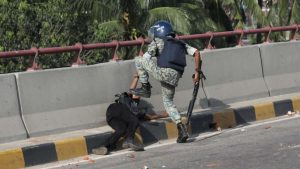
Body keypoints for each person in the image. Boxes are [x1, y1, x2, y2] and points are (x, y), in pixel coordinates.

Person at [130, 20, 201, 143]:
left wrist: (141, 72)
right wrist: (197, 73)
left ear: (159, 31)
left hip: (163, 72)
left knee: (138, 60)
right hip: (175, 76)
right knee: (168, 102)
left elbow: (146, 58)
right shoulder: (181, 44)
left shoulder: (158, 41)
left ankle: (146, 88)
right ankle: (181, 127)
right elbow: (197, 53)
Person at [92, 74, 168, 155]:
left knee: (122, 130)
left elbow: (151, 117)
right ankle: (129, 140)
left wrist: (165, 115)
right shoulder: (127, 98)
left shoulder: (137, 110)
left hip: (118, 119)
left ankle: (102, 146)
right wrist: (136, 78)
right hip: (115, 110)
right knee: (134, 119)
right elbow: (131, 89)